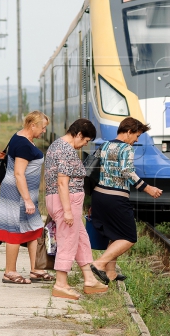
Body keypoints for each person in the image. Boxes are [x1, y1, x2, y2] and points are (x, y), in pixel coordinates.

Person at [90, 117, 162, 284]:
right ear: (128, 132)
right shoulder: (127, 148)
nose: (136, 140)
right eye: (136, 136)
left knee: (114, 234)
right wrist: (147, 188)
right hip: (115, 198)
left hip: (99, 195)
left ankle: (111, 273)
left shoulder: (105, 145)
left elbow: (90, 169)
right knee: (129, 236)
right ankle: (99, 263)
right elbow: (127, 171)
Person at [45, 118, 108, 300]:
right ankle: (61, 284)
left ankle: (89, 279)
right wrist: (67, 211)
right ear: (79, 134)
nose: (84, 145)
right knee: (68, 241)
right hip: (66, 201)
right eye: (86, 141)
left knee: (80, 239)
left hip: (64, 201)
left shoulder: (57, 145)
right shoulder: (65, 150)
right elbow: (63, 183)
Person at [0, 111, 53, 284]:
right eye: (43, 128)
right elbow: (19, 174)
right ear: (32, 125)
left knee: (35, 228)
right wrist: (27, 199)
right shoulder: (23, 145)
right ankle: (10, 272)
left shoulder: (21, 137)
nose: (44, 131)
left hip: (25, 194)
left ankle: (36, 269)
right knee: (14, 230)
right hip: (18, 195)